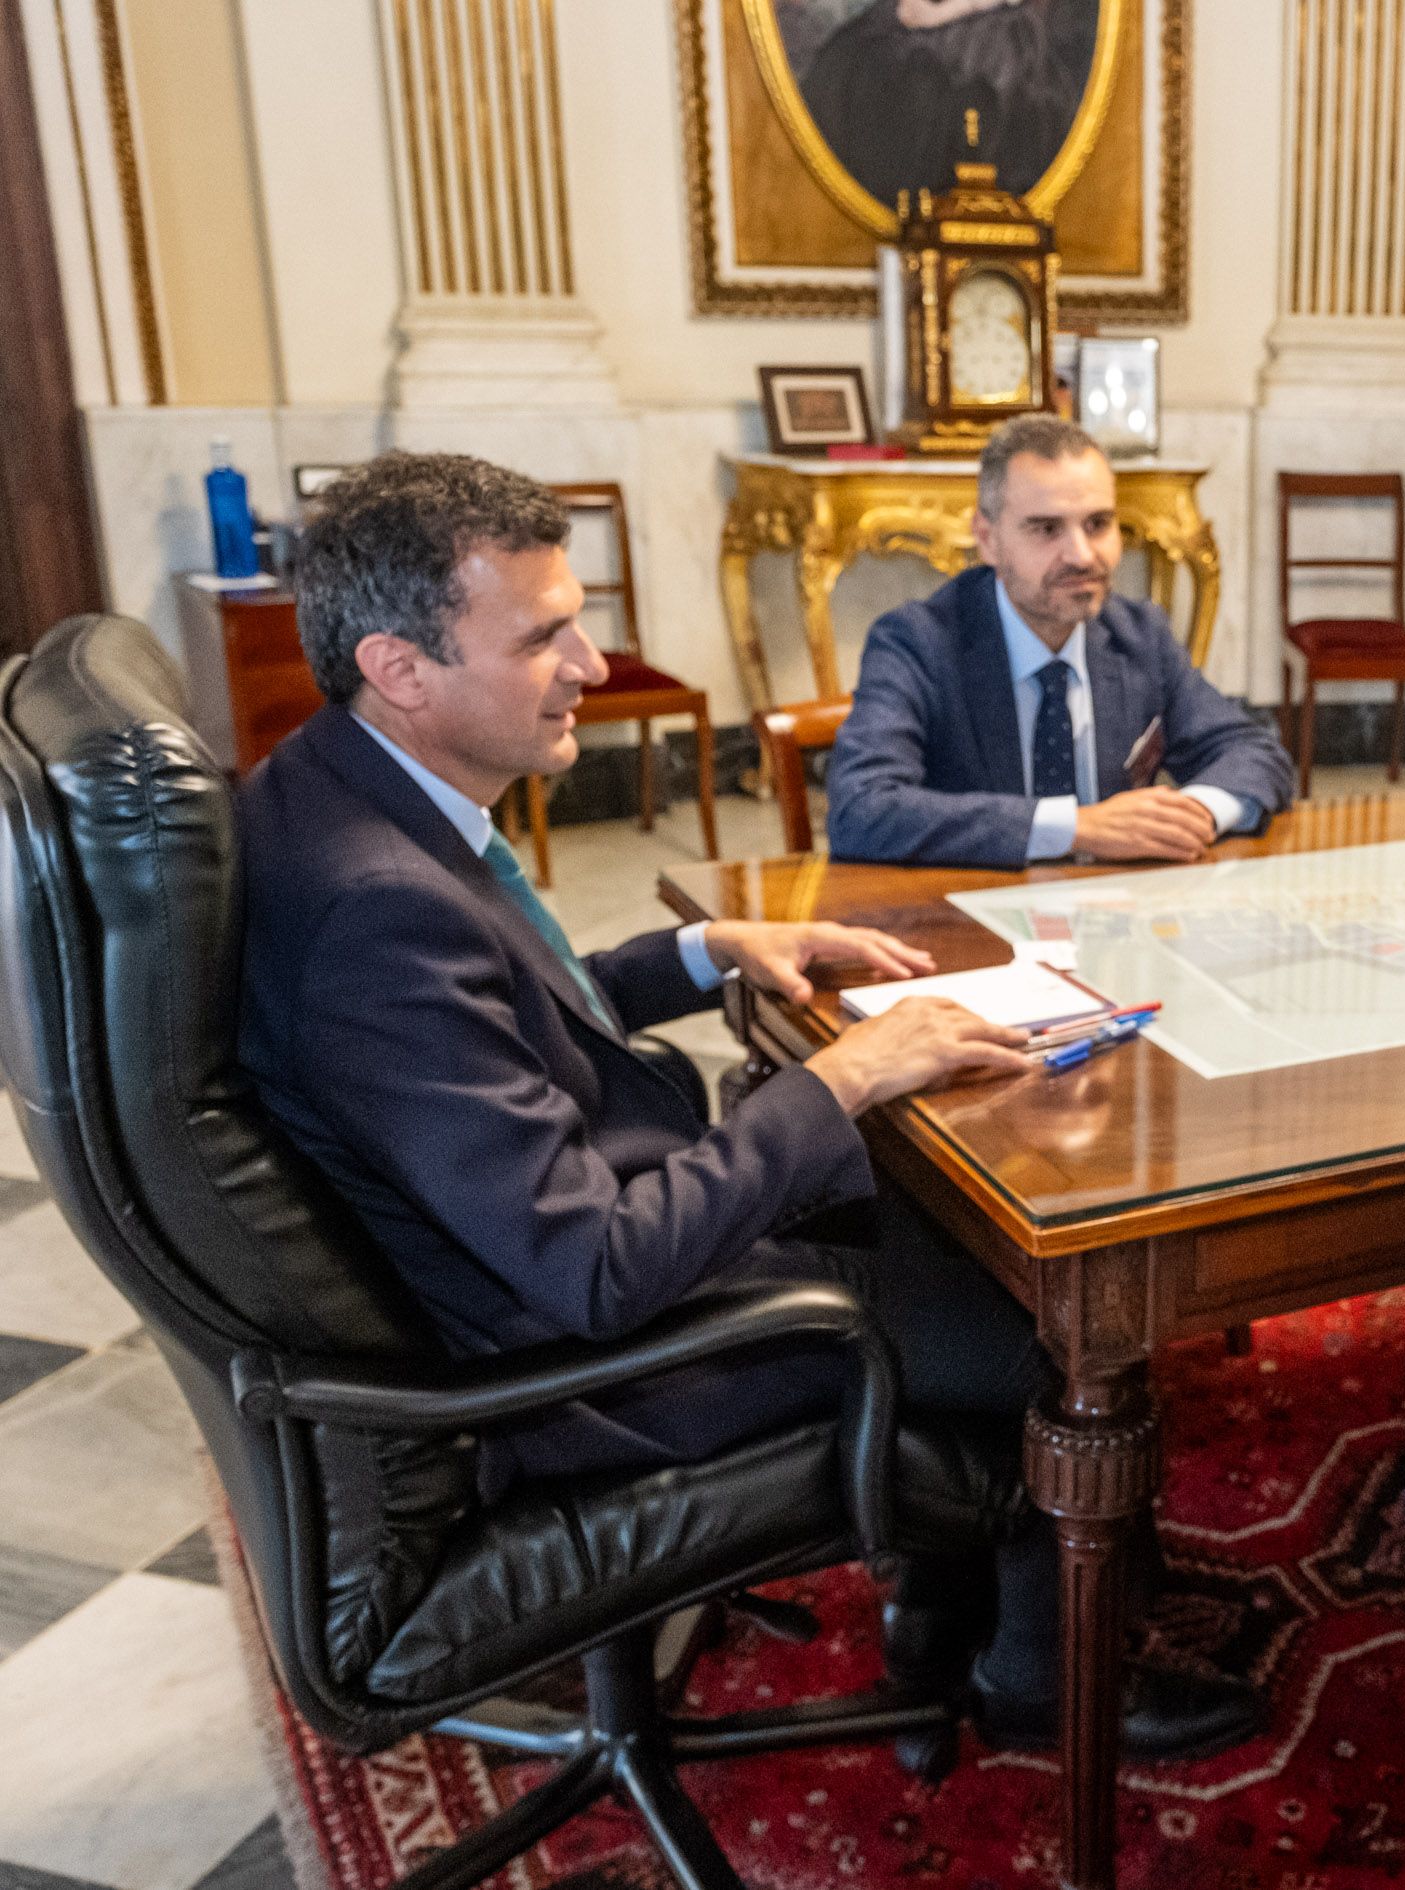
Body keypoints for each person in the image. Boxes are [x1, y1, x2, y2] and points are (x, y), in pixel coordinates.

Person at [237, 451, 1258, 1759]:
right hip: (590, 1364)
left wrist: (702, 950)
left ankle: (937, 1605)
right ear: (399, 666)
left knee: (953, 1224)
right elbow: (592, 1264)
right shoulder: (372, 911)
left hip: (562, 1253)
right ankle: (1044, 1683)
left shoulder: (338, 796)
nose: (594, 665)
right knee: (1068, 1330)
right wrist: (839, 1075)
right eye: (544, 633)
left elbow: (495, 1015)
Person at [827, 414, 1295, 867]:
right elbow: (862, 808)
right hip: (971, 918)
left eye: (1098, 524)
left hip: (1113, 923)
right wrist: (1077, 828)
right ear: (987, 539)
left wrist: (1188, 816)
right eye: (1047, 529)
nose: (1081, 555)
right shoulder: (918, 643)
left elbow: (1254, 753)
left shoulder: (1138, 634)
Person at [797, 0, 1099, 210]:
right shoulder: (867, 50)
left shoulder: (1012, 49)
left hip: (986, 34)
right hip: (908, 28)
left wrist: (945, 12)